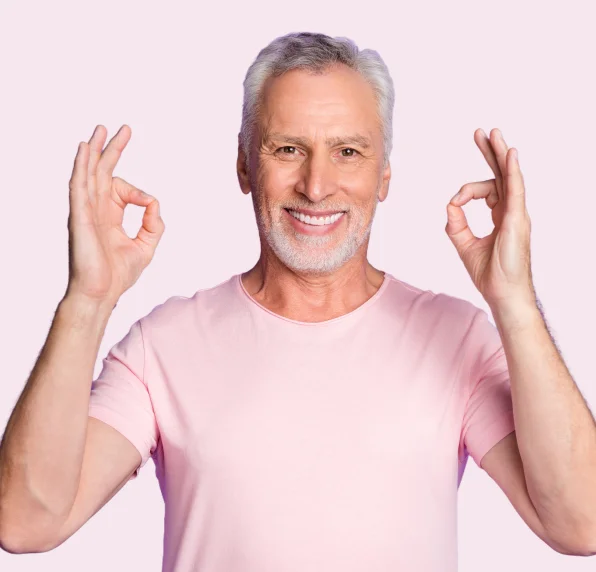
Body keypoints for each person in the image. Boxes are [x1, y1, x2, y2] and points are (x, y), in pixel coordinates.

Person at [1, 31, 595, 571]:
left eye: (348, 152)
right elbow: (26, 523)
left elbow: (581, 522)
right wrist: (88, 299)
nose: (316, 185)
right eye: (287, 149)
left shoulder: (456, 337)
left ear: (384, 176)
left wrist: (513, 300)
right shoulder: (165, 346)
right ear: (243, 165)